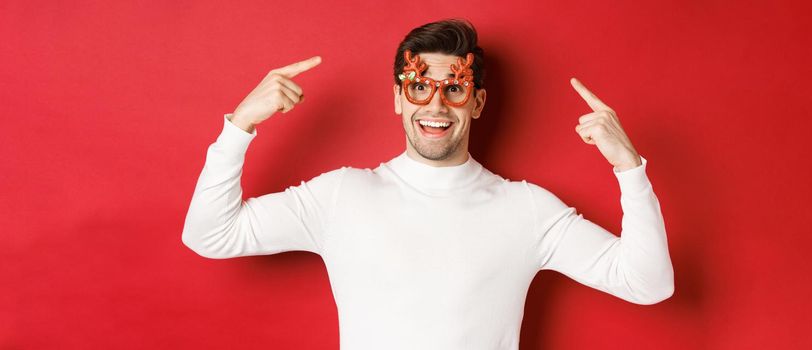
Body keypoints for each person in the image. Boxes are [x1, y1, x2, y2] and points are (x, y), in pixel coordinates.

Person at [182, 18, 674, 350]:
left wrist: (629, 167)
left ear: (476, 102)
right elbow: (210, 235)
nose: (436, 106)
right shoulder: (341, 197)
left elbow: (648, 284)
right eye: (420, 86)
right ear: (400, 98)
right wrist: (239, 125)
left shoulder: (528, 210)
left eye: (454, 89)